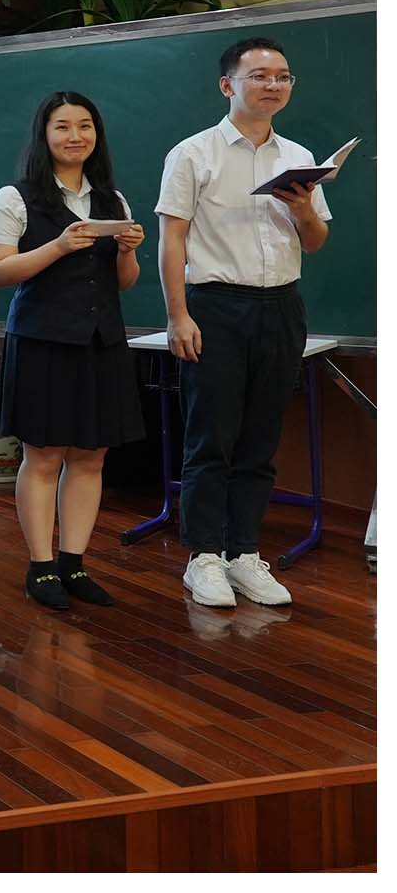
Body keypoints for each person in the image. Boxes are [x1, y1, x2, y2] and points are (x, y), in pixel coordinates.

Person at [157, 36, 329, 608]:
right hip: (215, 305)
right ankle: (203, 556)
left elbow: (316, 241)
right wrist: (178, 315)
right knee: (212, 437)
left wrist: (303, 207)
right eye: (259, 75)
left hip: (281, 306)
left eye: (282, 76)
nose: (273, 84)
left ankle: (244, 554)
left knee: (261, 438)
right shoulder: (193, 154)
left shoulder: (298, 156)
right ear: (227, 84)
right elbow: (171, 239)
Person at [0, 91, 145, 610]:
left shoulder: (113, 201)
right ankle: (40, 567)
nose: (75, 136)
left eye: (84, 126)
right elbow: (0, 272)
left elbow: (124, 282)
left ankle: (74, 564)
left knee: (91, 456)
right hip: (43, 341)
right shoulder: (15, 197)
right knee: (43, 455)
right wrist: (57, 246)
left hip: (101, 341)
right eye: (62, 126)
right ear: (44, 134)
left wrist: (127, 253)